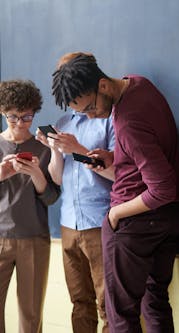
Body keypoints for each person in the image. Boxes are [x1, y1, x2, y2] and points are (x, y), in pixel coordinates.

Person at [51, 52, 179, 333]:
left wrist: (115, 213)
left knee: (120, 317)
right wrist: (116, 157)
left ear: (103, 85)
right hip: (172, 216)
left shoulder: (127, 122)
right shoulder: (140, 84)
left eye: (90, 108)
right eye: (82, 113)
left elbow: (162, 189)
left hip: (137, 221)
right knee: (155, 302)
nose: (91, 116)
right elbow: (149, 152)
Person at [36, 52, 115, 333]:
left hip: (100, 222)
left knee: (109, 304)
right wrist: (55, 149)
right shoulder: (63, 122)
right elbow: (57, 178)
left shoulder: (108, 118)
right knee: (79, 302)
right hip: (68, 223)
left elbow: (119, 173)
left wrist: (79, 150)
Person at [0, 79, 60, 332]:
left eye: (26, 117)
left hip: (34, 238)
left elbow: (51, 198)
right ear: (3, 112)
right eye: (13, 117)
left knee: (31, 315)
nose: (20, 123)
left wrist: (36, 173)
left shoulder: (44, 148)